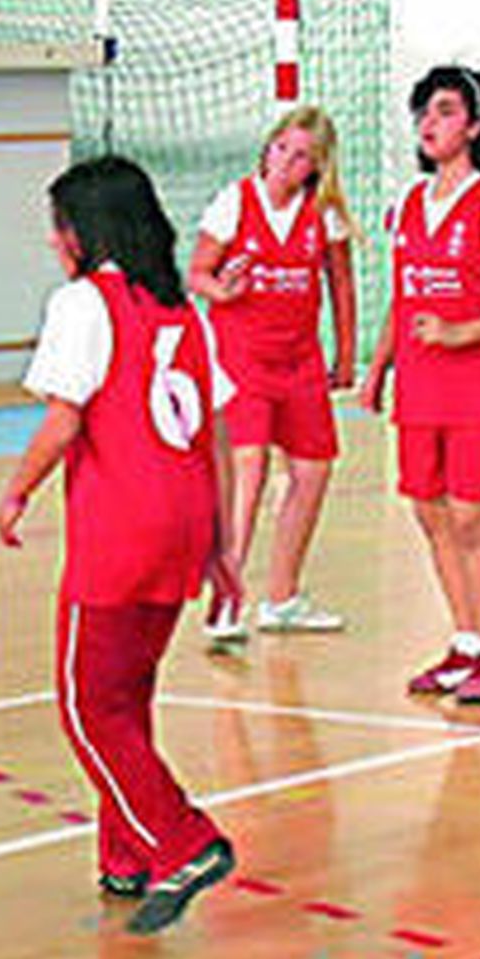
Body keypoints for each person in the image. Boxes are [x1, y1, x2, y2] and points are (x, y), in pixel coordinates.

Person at [0, 155, 241, 936]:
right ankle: (125, 854)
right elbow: (218, 436)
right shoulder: (182, 314)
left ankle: (183, 840)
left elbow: (64, 421)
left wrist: (15, 490)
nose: (50, 240)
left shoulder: (82, 304)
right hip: (184, 520)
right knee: (126, 696)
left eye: (58, 224)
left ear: (83, 231)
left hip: (121, 527)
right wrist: (222, 543)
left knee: (85, 707)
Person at [359, 66, 480, 704]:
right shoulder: (406, 205)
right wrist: (376, 370)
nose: (428, 122)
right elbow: (402, 303)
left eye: (445, 110)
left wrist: (462, 333)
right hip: (420, 391)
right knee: (430, 514)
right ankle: (466, 643)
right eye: (423, 110)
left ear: (475, 125)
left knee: (473, 518)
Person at [188, 106, 358, 648]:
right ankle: (226, 601)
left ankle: (282, 597)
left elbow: (342, 287)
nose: (287, 161)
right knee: (250, 466)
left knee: (313, 473)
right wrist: (223, 291)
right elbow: (197, 274)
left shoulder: (322, 215)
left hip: (301, 359)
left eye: (301, 154)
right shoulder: (233, 202)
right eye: (281, 147)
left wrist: (347, 353)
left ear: (317, 166)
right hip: (242, 356)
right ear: (267, 148)